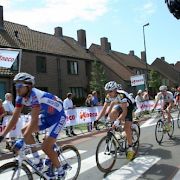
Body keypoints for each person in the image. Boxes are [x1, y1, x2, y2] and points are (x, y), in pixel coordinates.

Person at [0, 72, 67, 179]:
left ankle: (61, 170)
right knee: (24, 130)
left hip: (58, 117)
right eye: (15, 86)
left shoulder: (35, 95)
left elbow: (34, 120)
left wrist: (23, 140)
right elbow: (14, 118)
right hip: (46, 115)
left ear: (28, 86)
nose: (17, 89)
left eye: (19, 86)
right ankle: (37, 160)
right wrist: (2, 136)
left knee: (46, 147)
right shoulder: (20, 97)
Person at [94, 81, 136, 160]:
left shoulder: (121, 95)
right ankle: (119, 131)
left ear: (115, 90)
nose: (108, 93)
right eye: (107, 91)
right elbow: (104, 109)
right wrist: (97, 119)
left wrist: (118, 121)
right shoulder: (108, 96)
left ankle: (130, 148)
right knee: (112, 114)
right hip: (121, 105)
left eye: (110, 91)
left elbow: (124, 112)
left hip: (129, 106)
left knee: (127, 127)